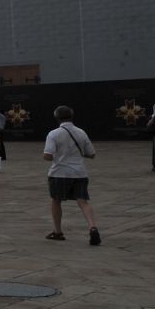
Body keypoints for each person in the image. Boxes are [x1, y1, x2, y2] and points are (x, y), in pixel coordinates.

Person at [43, 105, 100, 245]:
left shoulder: (53, 134)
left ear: (57, 117)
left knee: (56, 200)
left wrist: (57, 155)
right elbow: (92, 154)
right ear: (72, 116)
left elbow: (47, 156)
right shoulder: (81, 132)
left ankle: (57, 231)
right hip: (79, 173)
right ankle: (93, 227)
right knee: (83, 201)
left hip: (59, 173)